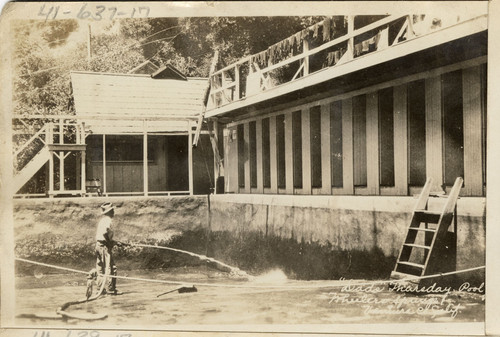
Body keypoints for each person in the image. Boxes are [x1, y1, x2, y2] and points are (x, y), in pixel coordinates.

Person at [95, 202, 123, 295]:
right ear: (109, 211)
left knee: (100, 268)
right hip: (104, 247)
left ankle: (100, 289)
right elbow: (105, 233)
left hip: (99, 245)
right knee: (111, 268)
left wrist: (115, 242)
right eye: (112, 210)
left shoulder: (103, 220)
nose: (114, 212)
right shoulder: (108, 220)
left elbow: (105, 235)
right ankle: (111, 289)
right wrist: (110, 243)